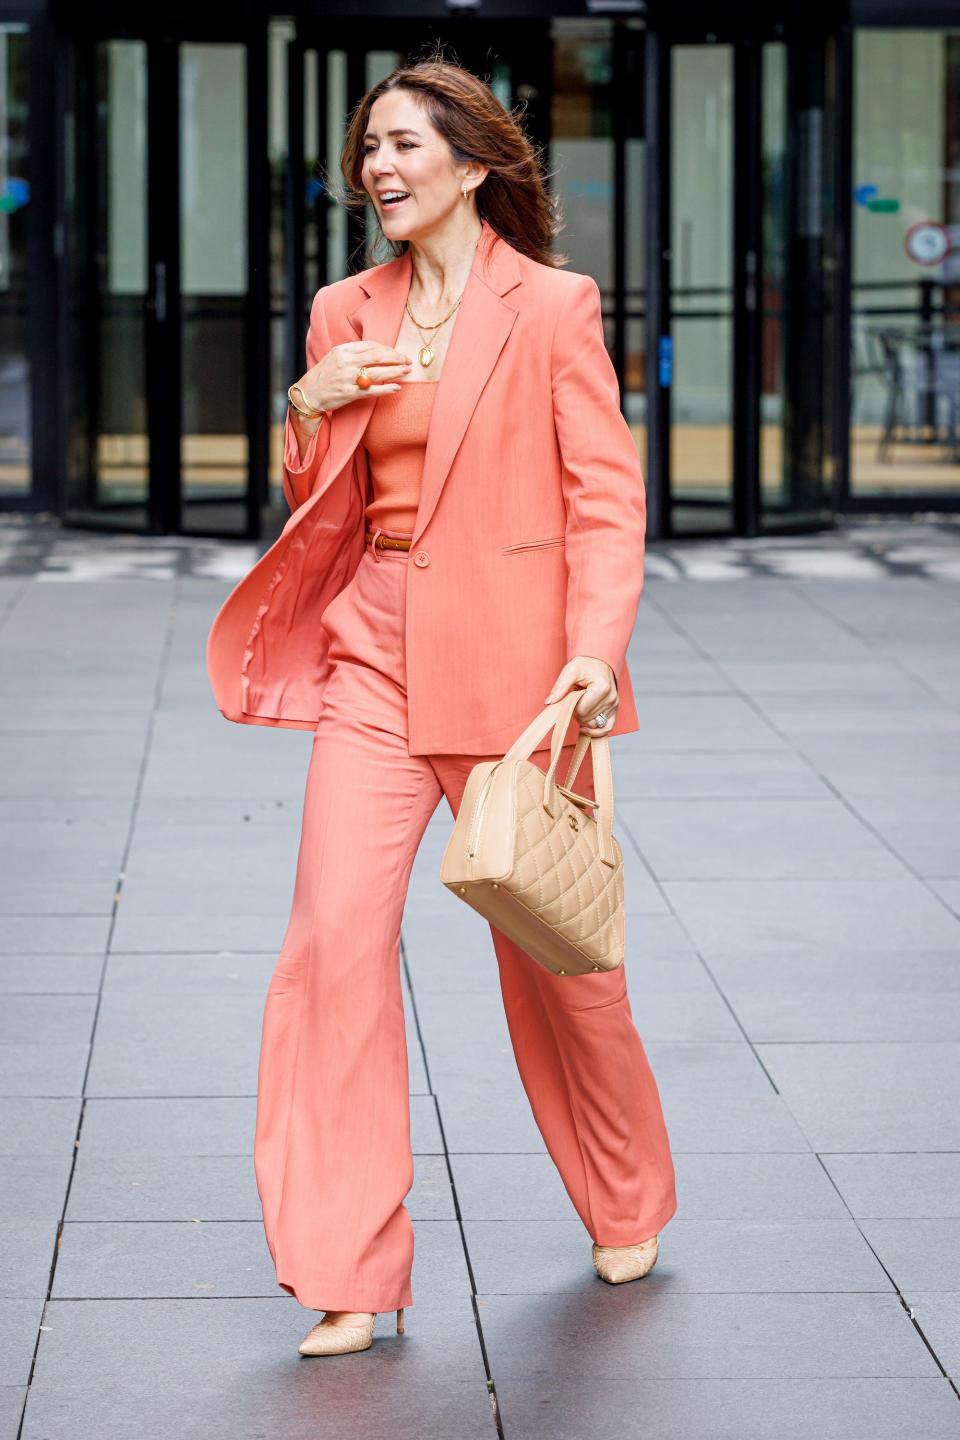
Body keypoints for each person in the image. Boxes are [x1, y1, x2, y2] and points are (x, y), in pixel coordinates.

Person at [205, 53, 677, 1358]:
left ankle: (627, 1194)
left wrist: (594, 650)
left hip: (522, 671)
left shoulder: (552, 308)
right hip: (376, 646)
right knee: (330, 946)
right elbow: (326, 497)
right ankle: (349, 1267)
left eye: (407, 144)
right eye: (370, 149)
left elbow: (603, 496)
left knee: (557, 960)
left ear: (473, 162)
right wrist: (306, 407)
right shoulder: (344, 308)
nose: (382, 168)